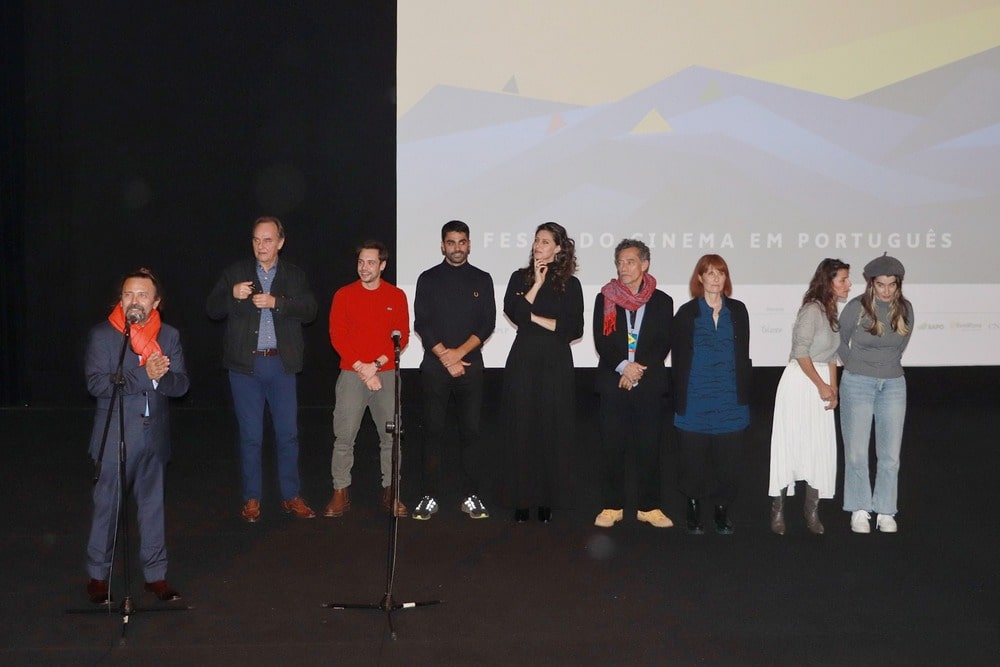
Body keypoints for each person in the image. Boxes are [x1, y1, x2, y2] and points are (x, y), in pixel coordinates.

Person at [85, 268, 189, 604]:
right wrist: (145, 375)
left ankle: (155, 577)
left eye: (142, 295)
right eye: (128, 294)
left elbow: (181, 385)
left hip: (154, 436)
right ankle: (98, 576)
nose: (134, 301)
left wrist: (161, 377)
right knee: (107, 508)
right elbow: (97, 384)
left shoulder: (169, 336)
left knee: (152, 508)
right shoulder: (104, 336)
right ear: (121, 299)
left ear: (156, 302)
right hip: (115, 435)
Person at [206, 216, 318, 523]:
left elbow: (310, 310)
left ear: (280, 242)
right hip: (245, 367)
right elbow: (211, 309)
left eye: (268, 240)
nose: (261, 246)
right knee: (251, 436)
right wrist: (231, 294)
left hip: (281, 365)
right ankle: (252, 498)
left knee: (288, 434)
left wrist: (276, 303)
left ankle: (291, 495)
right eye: (256, 240)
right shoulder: (235, 273)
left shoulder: (294, 275)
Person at [412, 221, 496, 520]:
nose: (457, 248)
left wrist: (457, 355)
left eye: (462, 242)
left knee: (471, 433)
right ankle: (429, 495)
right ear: (442, 246)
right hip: (434, 369)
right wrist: (446, 358)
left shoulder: (482, 279)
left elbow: (487, 324)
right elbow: (422, 323)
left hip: (470, 368)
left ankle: (471, 495)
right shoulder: (428, 278)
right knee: (432, 432)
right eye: (451, 242)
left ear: (469, 244)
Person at [500, 222, 584, 523]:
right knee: (521, 428)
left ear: (559, 247)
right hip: (523, 360)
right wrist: (535, 284)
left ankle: (547, 499)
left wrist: (533, 317)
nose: (538, 246)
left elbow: (573, 329)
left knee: (551, 429)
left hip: (555, 363)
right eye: (536, 240)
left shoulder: (571, 284)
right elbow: (514, 312)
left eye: (545, 241)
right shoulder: (519, 278)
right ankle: (521, 500)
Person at [593, 239, 674, 529]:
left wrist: (636, 371)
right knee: (612, 447)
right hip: (613, 383)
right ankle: (612, 506)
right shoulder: (605, 297)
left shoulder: (662, 301)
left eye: (630, 262)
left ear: (645, 264)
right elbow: (602, 340)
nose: (623, 268)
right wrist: (623, 367)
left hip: (648, 384)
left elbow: (663, 342)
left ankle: (649, 507)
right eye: (620, 262)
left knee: (649, 447)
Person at [326, 240, 411, 518]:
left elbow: (402, 336)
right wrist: (362, 368)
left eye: (371, 262)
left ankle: (391, 491)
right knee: (344, 437)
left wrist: (375, 365)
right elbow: (338, 336)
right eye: (361, 262)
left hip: (384, 374)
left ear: (382, 265)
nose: (364, 267)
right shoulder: (344, 295)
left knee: (391, 437)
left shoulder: (396, 296)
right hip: (352, 374)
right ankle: (340, 491)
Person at [768, 259, 851, 535]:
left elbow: (831, 356)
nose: (848, 284)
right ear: (828, 282)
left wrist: (833, 389)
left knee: (818, 446)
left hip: (820, 384)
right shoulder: (811, 310)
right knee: (790, 445)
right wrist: (820, 385)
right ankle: (778, 510)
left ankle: (811, 511)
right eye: (842, 279)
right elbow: (800, 352)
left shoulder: (831, 312)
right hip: (800, 383)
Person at [671, 254, 750, 535]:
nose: (716, 278)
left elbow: (743, 354)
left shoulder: (738, 311)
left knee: (729, 465)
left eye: (721, 273)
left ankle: (721, 510)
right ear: (700, 278)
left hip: (730, 401)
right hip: (694, 400)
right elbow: (678, 359)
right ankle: (693, 508)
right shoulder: (686, 313)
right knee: (692, 464)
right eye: (710, 273)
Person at [838, 253, 913, 534]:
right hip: (857, 383)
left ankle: (885, 510)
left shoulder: (905, 309)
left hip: (893, 385)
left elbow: (900, 347)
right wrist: (856, 366)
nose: (886, 290)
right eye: (880, 284)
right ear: (871, 283)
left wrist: (884, 366)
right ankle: (859, 508)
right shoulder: (856, 308)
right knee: (857, 452)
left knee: (890, 455)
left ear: (898, 284)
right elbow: (838, 341)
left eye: (891, 285)